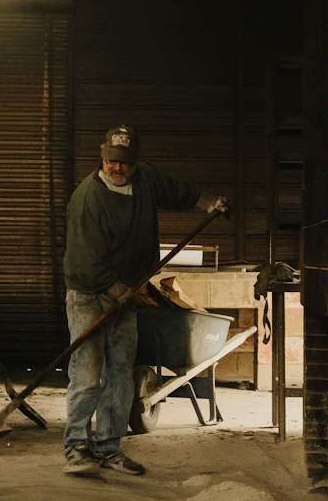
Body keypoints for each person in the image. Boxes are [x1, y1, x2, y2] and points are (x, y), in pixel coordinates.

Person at [61, 122, 230, 476]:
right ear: (102, 157)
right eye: (111, 161)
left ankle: (109, 447)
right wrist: (118, 290)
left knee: (122, 373)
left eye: (124, 162)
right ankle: (77, 446)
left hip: (127, 293)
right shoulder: (87, 199)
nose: (117, 168)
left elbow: (179, 192)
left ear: (135, 162)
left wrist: (208, 203)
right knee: (88, 374)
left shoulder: (146, 180)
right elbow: (86, 260)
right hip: (90, 294)